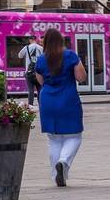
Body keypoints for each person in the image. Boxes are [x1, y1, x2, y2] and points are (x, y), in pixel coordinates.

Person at [35, 27, 85, 187]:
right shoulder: (70, 56)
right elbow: (81, 77)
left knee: (54, 139)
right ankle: (63, 162)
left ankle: (56, 173)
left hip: (48, 100)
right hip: (68, 98)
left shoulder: (41, 59)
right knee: (74, 136)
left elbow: (41, 81)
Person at [18, 37, 44, 107]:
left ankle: (30, 106)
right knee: (40, 90)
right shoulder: (41, 48)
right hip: (39, 72)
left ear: (30, 40)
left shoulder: (26, 47)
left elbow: (20, 56)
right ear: (36, 40)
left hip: (29, 72)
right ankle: (41, 105)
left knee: (31, 90)